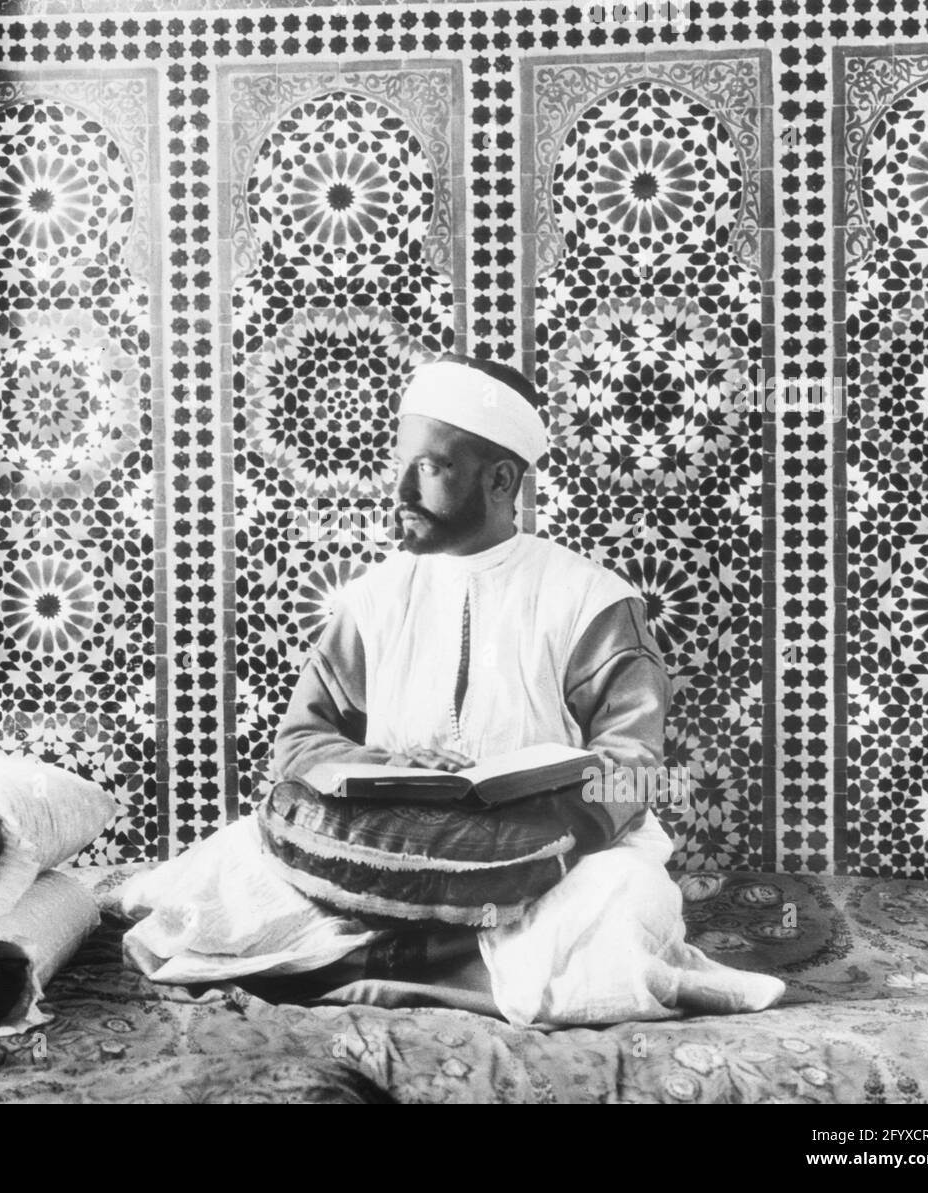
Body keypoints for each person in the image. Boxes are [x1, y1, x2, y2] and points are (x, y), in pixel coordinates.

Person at [117, 353, 784, 1027]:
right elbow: (300, 739)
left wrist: (524, 842)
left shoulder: (592, 602)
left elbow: (633, 772)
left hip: (544, 863)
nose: (401, 488)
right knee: (228, 870)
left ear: (501, 480)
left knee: (624, 896)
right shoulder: (372, 601)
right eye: (401, 463)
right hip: (381, 858)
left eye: (430, 468)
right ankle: (471, 968)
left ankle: (385, 965)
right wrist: (396, 771)